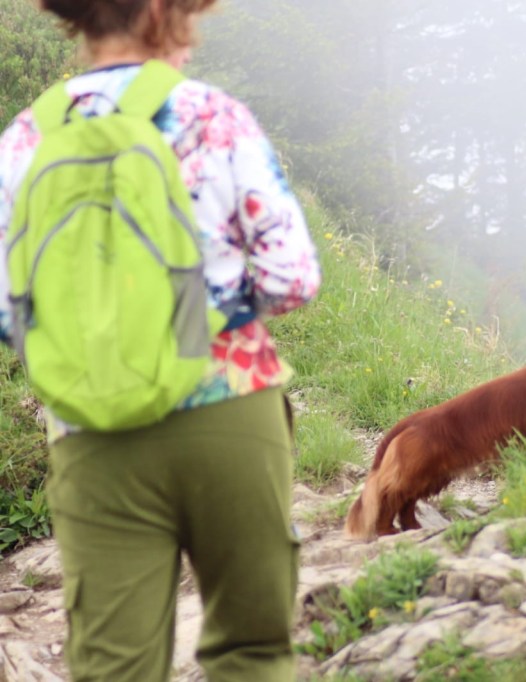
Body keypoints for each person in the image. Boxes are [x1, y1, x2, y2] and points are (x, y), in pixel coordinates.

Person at [0, 1, 321, 680]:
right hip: (228, 403)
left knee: (113, 669)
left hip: (92, 431)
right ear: (163, 13)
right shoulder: (212, 115)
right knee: (252, 651)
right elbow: (292, 278)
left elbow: (10, 311)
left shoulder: (25, 139)